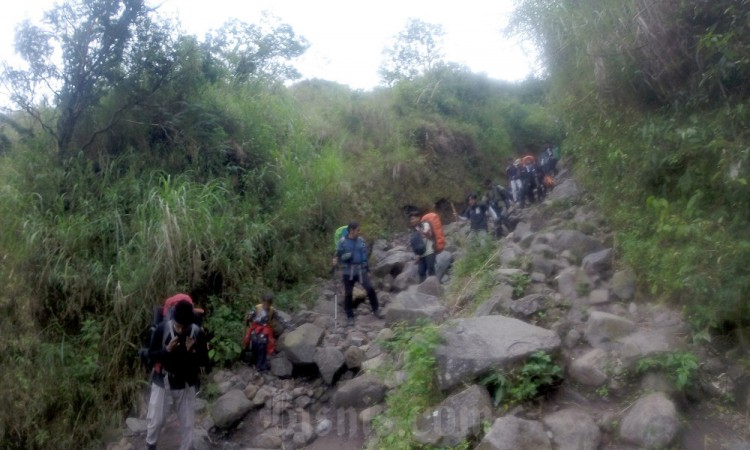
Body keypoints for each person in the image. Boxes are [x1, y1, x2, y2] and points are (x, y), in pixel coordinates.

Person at [145, 299, 208, 450]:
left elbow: (205, 362)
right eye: (178, 325)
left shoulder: (197, 333)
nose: (180, 330)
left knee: (188, 424)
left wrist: (193, 351)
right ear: (173, 319)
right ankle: (151, 445)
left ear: (190, 323)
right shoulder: (162, 329)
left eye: (184, 326)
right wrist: (166, 351)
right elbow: (151, 355)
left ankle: (187, 447)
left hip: (186, 383)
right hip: (162, 381)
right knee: (156, 420)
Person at [332, 222, 383, 325]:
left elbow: (364, 256)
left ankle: (376, 309)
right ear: (351, 230)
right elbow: (337, 254)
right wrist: (335, 260)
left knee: (370, 288)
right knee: (348, 294)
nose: (359, 232)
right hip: (348, 271)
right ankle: (350, 316)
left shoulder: (361, 241)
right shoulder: (342, 242)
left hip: (361, 270)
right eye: (358, 230)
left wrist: (368, 270)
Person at [243, 293, 286, 372]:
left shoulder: (272, 311)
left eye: (268, 304)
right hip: (255, 328)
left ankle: (260, 366)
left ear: (271, 304)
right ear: (262, 301)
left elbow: (280, 319)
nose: (266, 306)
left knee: (262, 346)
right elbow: (250, 316)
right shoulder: (257, 308)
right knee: (254, 345)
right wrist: (248, 317)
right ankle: (253, 361)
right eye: (265, 303)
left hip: (265, 331)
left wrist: (287, 325)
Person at [408, 210, 436, 283]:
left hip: (430, 251)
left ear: (418, 218)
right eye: (410, 220)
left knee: (431, 271)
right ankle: (423, 291)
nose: (411, 221)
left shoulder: (426, 224)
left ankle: (435, 289)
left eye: (413, 219)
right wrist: (416, 254)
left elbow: (428, 234)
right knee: (421, 272)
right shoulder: (414, 230)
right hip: (421, 254)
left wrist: (422, 232)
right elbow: (414, 243)